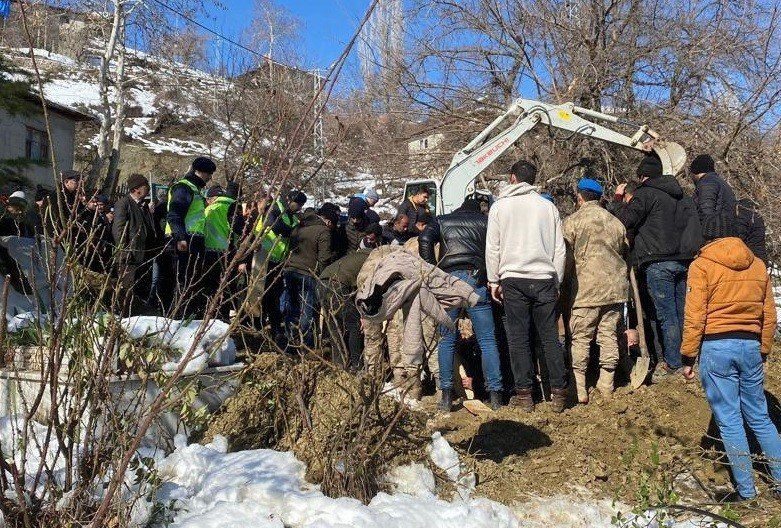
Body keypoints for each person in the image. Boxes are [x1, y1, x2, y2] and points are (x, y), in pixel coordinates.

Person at [680, 213, 780, 502]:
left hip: (716, 347)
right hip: (750, 345)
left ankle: (747, 493)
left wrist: (688, 356)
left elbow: (695, 315)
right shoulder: (758, 265)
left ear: (707, 235)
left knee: (730, 420)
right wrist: (763, 349)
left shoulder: (701, 265)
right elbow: (769, 315)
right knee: (761, 418)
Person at [486, 160, 568, 413]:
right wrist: (558, 280)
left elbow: (493, 247)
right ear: (533, 180)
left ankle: (524, 396)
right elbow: (559, 249)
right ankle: (559, 393)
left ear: (512, 178)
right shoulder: (548, 207)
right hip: (544, 277)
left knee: (518, 338)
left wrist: (493, 280)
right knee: (549, 337)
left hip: (513, 279)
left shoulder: (499, 207)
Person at [613, 154, 701, 378]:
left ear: (643, 176)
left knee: (666, 315)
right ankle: (689, 360)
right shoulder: (684, 197)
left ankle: (673, 364)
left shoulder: (646, 194)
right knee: (683, 313)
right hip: (684, 261)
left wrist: (617, 200)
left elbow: (625, 221)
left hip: (657, 261)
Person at [419, 197, 503, 411]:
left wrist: (432, 271)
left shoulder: (442, 220)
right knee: (487, 341)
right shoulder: (486, 222)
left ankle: (446, 397)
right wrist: (487, 274)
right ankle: (495, 397)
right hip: (476, 281)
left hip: (448, 281)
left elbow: (424, 239)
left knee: (447, 340)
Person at [562, 178, 629, 404]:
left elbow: (565, 257)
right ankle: (606, 384)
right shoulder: (616, 223)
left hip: (586, 290)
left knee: (581, 338)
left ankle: (579, 388)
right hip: (615, 290)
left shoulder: (572, 222)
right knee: (608, 335)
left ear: (579, 197)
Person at [318, 227, 380, 371]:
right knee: (354, 325)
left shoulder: (354, 256)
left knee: (335, 324)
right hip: (337, 286)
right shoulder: (371, 261)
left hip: (321, 282)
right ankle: (356, 365)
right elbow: (366, 289)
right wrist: (365, 315)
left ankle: (338, 364)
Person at [282, 203, 337, 352]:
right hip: (308, 274)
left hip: (290, 270)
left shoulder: (298, 227)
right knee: (307, 310)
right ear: (328, 221)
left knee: (292, 308)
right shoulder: (323, 231)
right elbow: (324, 258)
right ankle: (305, 344)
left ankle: (291, 343)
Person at [255, 190, 307, 345]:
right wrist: (295, 231)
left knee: (274, 296)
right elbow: (278, 228)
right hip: (264, 257)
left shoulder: (291, 215)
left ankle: (274, 328)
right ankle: (259, 326)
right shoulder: (274, 208)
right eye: (298, 205)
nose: (299, 208)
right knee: (261, 295)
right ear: (289, 200)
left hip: (279, 261)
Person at [164, 157, 215, 316]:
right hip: (183, 242)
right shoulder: (184, 188)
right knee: (183, 283)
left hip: (192, 242)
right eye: (208, 174)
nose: (210, 178)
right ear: (199, 172)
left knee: (190, 283)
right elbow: (174, 214)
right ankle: (178, 319)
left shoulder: (194, 189)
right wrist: (181, 238)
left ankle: (185, 317)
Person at [112, 174, 155, 313]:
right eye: (145, 185)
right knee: (126, 291)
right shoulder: (123, 204)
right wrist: (125, 251)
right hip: (129, 257)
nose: (148, 188)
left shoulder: (143, 206)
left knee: (141, 290)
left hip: (144, 256)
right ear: (136, 189)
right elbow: (119, 229)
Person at [689, 154, 736, 224]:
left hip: (714, 232)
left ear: (695, 171)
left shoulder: (707, 183)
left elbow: (706, 213)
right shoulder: (718, 181)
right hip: (725, 229)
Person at [735, 198, 768, 264]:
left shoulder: (735, 212)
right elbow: (758, 245)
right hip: (755, 261)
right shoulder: (757, 215)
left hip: (738, 258)